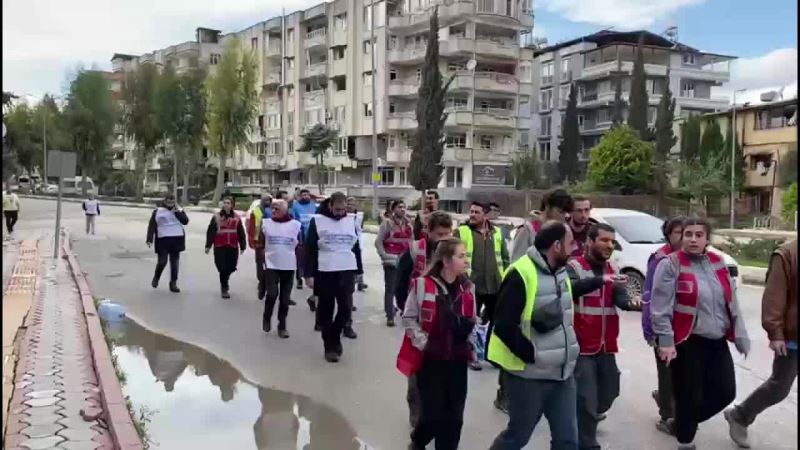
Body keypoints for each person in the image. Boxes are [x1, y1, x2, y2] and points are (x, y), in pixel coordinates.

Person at [651, 217, 750, 450]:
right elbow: (660, 308)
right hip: (686, 341)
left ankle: (681, 424)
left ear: (707, 239)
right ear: (681, 236)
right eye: (688, 234)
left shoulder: (718, 262)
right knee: (689, 396)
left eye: (699, 235)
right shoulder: (670, 264)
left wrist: (741, 336)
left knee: (726, 393)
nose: (693, 239)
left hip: (716, 341)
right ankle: (685, 441)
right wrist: (665, 342)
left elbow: (732, 303)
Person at [488, 221, 579, 450]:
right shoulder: (521, 273)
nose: (575, 247)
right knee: (518, 436)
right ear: (556, 246)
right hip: (529, 377)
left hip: (562, 375)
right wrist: (532, 354)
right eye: (570, 243)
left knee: (568, 439)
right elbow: (503, 324)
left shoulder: (561, 272)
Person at [398, 237, 477, 450]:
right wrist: (424, 343)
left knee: (454, 419)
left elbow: (474, 319)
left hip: (458, 360)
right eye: (461, 256)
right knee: (433, 415)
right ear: (446, 260)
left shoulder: (469, 287)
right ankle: (418, 441)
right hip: (431, 360)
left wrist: (469, 338)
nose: (466, 260)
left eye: (466, 256)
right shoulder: (423, 285)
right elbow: (408, 318)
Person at [566, 223, 640, 450]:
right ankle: (586, 442)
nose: (609, 245)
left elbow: (619, 298)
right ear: (590, 241)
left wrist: (633, 304)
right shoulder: (574, 266)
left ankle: (581, 419)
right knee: (587, 398)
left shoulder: (612, 268)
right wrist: (601, 281)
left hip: (606, 345)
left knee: (610, 391)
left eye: (612, 241)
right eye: (604, 240)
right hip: (581, 346)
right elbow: (570, 289)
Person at [724, 238, 797, 449]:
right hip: (792, 337)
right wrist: (776, 332)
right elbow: (775, 295)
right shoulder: (786, 254)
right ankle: (740, 415)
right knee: (780, 387)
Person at [394, 211, 455, 428]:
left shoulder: (455, 251)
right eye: (440, 234)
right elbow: (400, 283)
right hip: (418, 321)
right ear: (428, 232)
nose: (444, 239)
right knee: (417, 370)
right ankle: (416, 412)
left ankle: (437, 413)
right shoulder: (414, 250)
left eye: (448, 234)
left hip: (446, 323)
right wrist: (407, 311)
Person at [304, 192, 363, 363]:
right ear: (330, 206)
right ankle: (330, 346)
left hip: (346, 270)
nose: (340, 213)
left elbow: (356, 247)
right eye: (337, 210)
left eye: (343, 210)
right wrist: (308, 274)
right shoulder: (318, 221)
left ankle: (335, 336)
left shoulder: (352, 220)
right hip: (325, 270)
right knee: (326, 310)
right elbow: (310, 249)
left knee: (345, 310)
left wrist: (359, 271)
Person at [642, 215, 687, 435]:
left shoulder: (692, 258)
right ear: (668, 235)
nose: (684, 237)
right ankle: (667, 416)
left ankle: (665, 398)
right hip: (663, 326)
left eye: (686, 232)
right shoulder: (660, 259)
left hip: (686, 327)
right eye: (678, 232)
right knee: (667, 372)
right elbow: (650, 295)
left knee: (684, 372)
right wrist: (650, 330)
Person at [454, 201, 509, 370]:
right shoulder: (462, 231)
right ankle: (470, 356)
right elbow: (453, 255)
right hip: (471, 283)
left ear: (485, 214)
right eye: (471, 211)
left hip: (494, 285)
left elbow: (505, 258)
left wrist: (505, 278)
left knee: (497, 321)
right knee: (470, 320)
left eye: (476, 212)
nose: (472, 214)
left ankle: (492, 355)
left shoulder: (497, 233)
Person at [261, 200, 302, 339]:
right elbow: (261, 243)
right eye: (272, 208)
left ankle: (282, 325)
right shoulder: (266, 224)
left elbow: (300, 246)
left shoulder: (295, 226)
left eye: (276, 209)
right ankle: (267, 317)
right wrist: (261, 261)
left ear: (285, 210)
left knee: (285, 299)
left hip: (288, 265)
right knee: (272, 294)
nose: (273, 211)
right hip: (271, 263)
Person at [375, 199, 413, 327]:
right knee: (390, 288)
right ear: (393, 209)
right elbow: (378, 242)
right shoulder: (387, 223)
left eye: (404, 207)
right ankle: (390, 316)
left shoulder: (408, 224)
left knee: (404, 287)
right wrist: (384, 256)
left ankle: (404, 310)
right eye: (399, 207)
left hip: (406, 261)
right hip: (391, 260)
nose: (402, 209)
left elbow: (412, 242)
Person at [510, 188, 574, 262]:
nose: (566, 215)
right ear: (548, 206)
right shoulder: (528, 230)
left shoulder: (564, 230)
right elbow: (516, 262)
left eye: (567, 212)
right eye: (561, 211)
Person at [205, 197, 247, 299]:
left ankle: (225, 280)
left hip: (232, 246)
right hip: (220, 245)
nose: (226, 205)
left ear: (232, 205)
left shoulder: (236, 217)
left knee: (231, 267)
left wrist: (242, 246)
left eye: (228, 203)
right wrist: (208, 245)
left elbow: (241, 232)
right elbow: (211, 231)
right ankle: (224, 287)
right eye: (224, 203)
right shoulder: (217, 217)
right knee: (221, 267)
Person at [146, 194, 189, 293]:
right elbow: (152, 225)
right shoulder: (158, 211)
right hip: (163, 240)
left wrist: (177, 212)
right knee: (162, 261)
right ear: (164, 201)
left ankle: (173, 283)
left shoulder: (179, 210)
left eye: (172, 202)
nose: (170, 204)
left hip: (176, 239)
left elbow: (185, 221)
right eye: (168, 202)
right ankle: (156, 277)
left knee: (175, 263)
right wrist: (149, 239)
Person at [247, 193, 273, 300]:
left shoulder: (272, 211)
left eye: (268, 200)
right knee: (260, 264)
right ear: (261, 200)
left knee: (270, 265)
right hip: (260, 242)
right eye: (265, 200)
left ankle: (267, 284)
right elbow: (253, 227)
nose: (267, 202)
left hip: (271, 242)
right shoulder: (256, 211)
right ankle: (261, 283)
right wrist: (254, 241)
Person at [291, 189, 317, 290]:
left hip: (312, 235)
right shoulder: (295, 205)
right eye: (303, 195)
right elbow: (293, 219)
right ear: (300, 196)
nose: (305, 197)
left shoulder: (313, 205)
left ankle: (311, 277)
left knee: (311, 258)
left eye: (307, 195)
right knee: (300, 259)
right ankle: (299, 279)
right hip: (301, 235)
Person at [347, 196, 368, 292]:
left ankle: (360, 282)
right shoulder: (343, 215)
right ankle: (354, 282)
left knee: (358, 262)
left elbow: (360, 228)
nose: (350, 206)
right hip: (347, 243)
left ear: (356, 206)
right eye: (348, 204)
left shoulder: (359, 216)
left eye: (352, 204)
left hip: (357, 241)